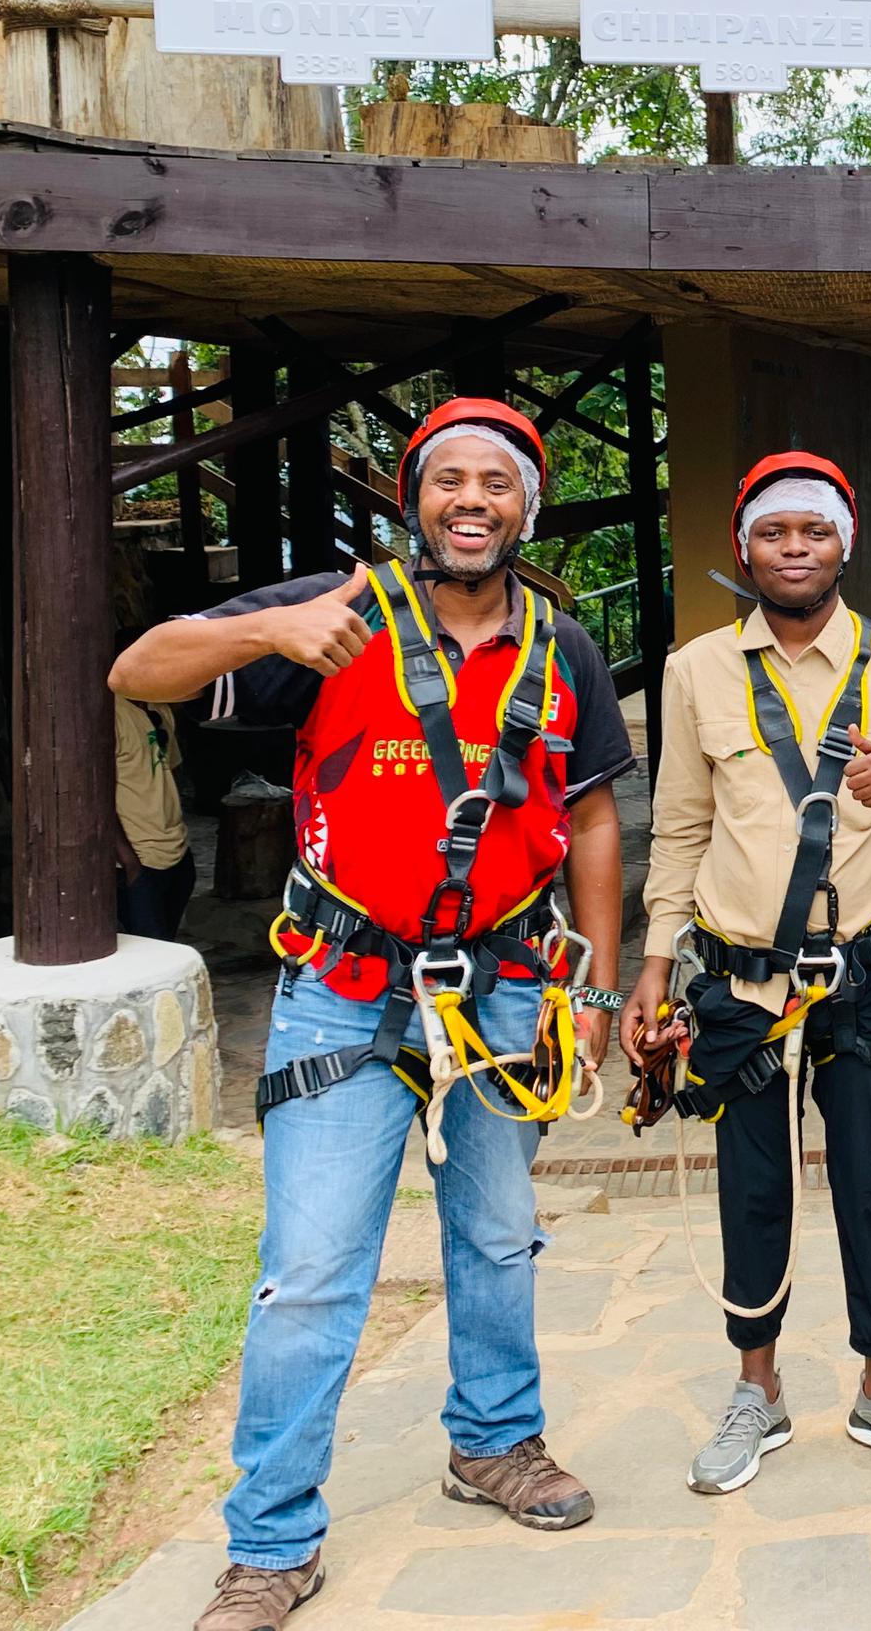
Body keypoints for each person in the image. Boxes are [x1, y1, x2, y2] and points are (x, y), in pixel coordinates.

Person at [110, 398, 634, 1631]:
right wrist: (271, 629)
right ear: (415, 501)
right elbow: (137, 671)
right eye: (449, 480)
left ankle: (494, 1441)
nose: (471, 500)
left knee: (497, 1235)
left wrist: (597, 990)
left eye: (496, 484)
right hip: (345, 989)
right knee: (311, 1272)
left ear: (526, 508)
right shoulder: (335, 613)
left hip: (506, 984)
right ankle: (271, 1543)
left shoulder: (563, 648)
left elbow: (593, 815)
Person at [622, 451, 871, 1497]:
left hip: (870, 973)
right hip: (738, 981)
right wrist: (653, 964)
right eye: (774, 532)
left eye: (815, 531)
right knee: (754, 1189)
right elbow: (680, 827)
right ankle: (758, 1388)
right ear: (744, 548)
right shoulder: (696, 670)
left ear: (846, 544)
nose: (795, 549)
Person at [115, 689, 196, 942]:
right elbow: (94, 796)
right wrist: (128, 861)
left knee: (165, 944)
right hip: (139, 856)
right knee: (148, 949)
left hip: (176, 848)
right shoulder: (110, 715)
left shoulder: (159, 707)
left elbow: (166, 771)